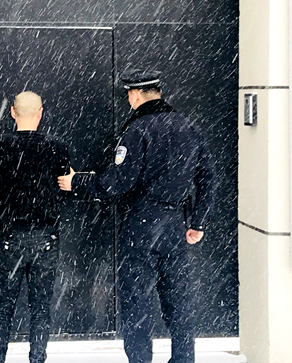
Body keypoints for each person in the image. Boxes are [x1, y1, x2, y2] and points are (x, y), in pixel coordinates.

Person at [58, 70, 218, 363]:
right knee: (178, 302)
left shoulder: (137, 130)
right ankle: (184, 359)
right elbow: (208, 178)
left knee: (136, 302)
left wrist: (77, 182)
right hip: (175, 224)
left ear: (134, 95)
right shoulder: (189, 127)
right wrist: (198, 222)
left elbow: (119, 181)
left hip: (141, 223)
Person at [0, 91, 70, 363]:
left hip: (10, 236)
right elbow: (64, 187)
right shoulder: (56, 147)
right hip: (45, 237)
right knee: (41, 309)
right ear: (40, 113)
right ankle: (37, 358)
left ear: (12, 112)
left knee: (3, 308)